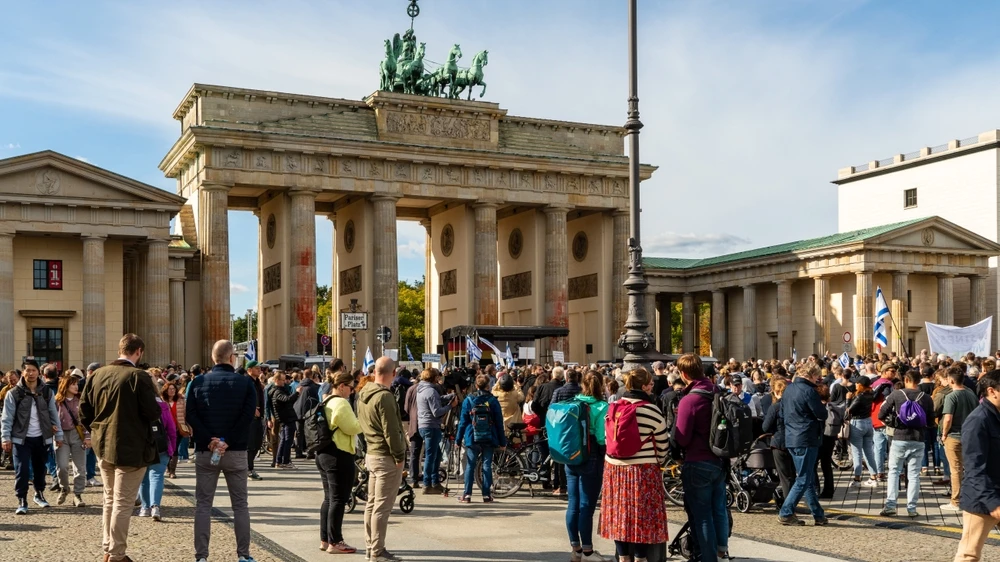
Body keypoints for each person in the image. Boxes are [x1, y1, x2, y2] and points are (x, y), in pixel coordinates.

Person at [80, 334, 160, 562]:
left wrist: (97, 431)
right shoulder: (138, 376)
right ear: (139, 352)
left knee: (109, 498)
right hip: (131, 447)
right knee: (123, 503)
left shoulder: (97, 374)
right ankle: (115, 554)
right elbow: (153, 413)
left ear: (120, 350)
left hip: (103, 445)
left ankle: (108, 548)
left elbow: (83, 412)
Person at [186, 340, 258, 562]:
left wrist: (211, 440)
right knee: (240, 506)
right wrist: (226, 440)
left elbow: (190, 416)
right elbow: (247, 418)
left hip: (207, 451)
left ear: (212, 357)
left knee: (203, 505)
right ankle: (244, 555)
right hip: (235, 451)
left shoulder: (197, 382)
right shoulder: (246, 384)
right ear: (232, 358)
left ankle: (201, 556)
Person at [673, 355, 726, 561]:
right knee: (717, 510)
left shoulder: (690, 400)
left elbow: (682, 437)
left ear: (684, 374)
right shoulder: (716, 391)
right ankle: (721, 551)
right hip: (719, 460)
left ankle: (707, 557)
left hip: (697, 461)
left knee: (701, 516)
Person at [357, 356, 408, 562]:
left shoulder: (363, 393)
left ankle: (371, 546)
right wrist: (399, 455)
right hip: (385, 455)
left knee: (371, 504)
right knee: (382, 507)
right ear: (393, 374)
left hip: (372, 452)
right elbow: (392, 431)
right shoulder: (384, 396)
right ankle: (377, 551)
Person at [1, 359, 63, 514]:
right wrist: (5, 437)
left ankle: (39, 493)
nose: (30, 373)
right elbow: (7, 417)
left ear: (39, 372)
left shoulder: (46, 392)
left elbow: (53, 414)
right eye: (27, 370)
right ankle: (22, 499)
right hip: (21, 438)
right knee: (22, 471)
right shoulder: (13, 393)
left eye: (33, 370)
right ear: (23, 372)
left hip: (42, 437)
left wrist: (59, 434)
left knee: (40, 469)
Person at [952, 369, 1000, 561]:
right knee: (968, 554)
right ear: (992, 391)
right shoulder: (978, 420)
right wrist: (993, 503)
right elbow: (974, 468)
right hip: (982, 500)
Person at [564, 371, 609, 562]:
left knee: (573, 504)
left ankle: (576, 548)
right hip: (591, 456)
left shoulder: (573, 402)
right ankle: (589, 551)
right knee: (587, 506)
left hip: (571, 455)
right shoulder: (601, 406)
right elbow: (601, 437)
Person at [316, 370, 363, 554]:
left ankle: (325, 539)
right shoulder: (341, 403)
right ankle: (335, 541)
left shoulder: (326, 400)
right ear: (342, 386)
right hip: (339, 453)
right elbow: (353, 427)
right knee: (338, 499)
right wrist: (362, 422)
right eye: (351, 388)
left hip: (323, 453)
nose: (352, 391)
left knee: (328, 498)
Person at [878, 369, 935, 518]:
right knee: (914, 475)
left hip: (899, 438)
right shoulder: (926, 398)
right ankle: (912, 508)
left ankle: (890, 506)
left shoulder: (897, 394)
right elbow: (931, 421)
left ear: (906, 379)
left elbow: (881, 414)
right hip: (918, 439)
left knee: (894, 472)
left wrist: (892, 423)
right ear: (919, 381)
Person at [777, 363, 828, 526]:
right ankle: (786, 512)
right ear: (811, 375)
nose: (818, 380)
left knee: (808, 479)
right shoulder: (809, 391)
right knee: (804, 478)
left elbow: (782, 414)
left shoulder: (788, 389)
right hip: (806, 438)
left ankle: (818, 514)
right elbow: (821, 414)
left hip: (792, 437)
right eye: (817, 377)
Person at [455, 374, 506, 504]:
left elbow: (463, 422)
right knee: (487, 465)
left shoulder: (469, 400)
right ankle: (486, 495)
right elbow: (499, 423)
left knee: (470, 465)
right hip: (489, 436)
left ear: (476, 385)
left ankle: (467, 495)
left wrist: (458, 439)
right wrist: (502, 441)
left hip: (472, 436)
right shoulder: (493, 401)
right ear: (488, 386)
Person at [940, 366, 979, 512]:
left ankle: (956, 501)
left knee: (955, 470)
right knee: (969, 468)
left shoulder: (951, 396)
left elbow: (948, 418)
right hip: (970, 435)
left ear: (950, 380)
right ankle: (971, 498)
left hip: (954, 436)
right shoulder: (970, 393)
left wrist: (944, 434)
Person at [139, 375, 177, 521]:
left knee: (143, 478)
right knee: (156, 476)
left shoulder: (135, 406)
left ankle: (145, 507)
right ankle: (155, 507)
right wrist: (171, 448)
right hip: (161, 445)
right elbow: (171, 429)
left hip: (143, 447)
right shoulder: (162, 405)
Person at [416, 368, 455, 494]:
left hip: (423, 424)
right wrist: (450, 406)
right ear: (434, 378)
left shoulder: (421, 389)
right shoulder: (431, 391)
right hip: (431, 425)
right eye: (438, 377)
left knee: (436, 455)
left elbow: (435, 400)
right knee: (431, 456)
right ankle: (427, 484)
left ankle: (435, 481)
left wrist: (448, 397)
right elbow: (436, 412)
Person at [54, 370, 88, 507]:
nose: (76, 387)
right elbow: (51, 419)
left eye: (77, 384)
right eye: (73, 384)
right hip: (61, 435)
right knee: (62, 466)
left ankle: (78, 495)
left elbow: (87, 420)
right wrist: (53, 430)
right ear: (65, 386)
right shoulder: (57, 402)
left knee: (80, 468)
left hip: (78, 435)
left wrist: (88, 437)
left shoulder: (81, 400)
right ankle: (64, 488)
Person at [762, 378, 795, 500]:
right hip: (793, 441)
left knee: (784, 477)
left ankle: (788, 505)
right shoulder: (793, 405)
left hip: (779, 442)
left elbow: (765, 427)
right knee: (792, 474)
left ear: (776, 392)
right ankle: (793, 500)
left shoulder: (775, 407)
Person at [845, 376, 879, 487]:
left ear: (860, 385)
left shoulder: (859, 397)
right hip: (868, 423)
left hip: (857, 424)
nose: (855, 385)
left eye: (856, 383)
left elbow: (848, 411)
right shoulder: (870, 394)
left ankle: (857, 479)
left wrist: (848, 400)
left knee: (857, 453)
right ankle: (873, 477)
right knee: (869, 451)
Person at [268, 372, 300, 469]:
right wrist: (297, 393)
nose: (285, 382)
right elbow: (286, 400)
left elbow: (288, 401)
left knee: (284, 440)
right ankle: (285, 461)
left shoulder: (279, 390)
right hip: (286, 418)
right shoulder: (277, 391)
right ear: (277, 380)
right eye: (282, 380)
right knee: (287, 440)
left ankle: (279, 461)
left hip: (286, 417)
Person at [244, 360, 266, 481]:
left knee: (257, 444)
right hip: (250, 418)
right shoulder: (246, 382)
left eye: (260, 368)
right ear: (249, 370)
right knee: (250, 444)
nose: (259, 370)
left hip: (259, 417)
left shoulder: (257, 382)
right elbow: (242, 398)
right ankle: (248, 469)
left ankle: (250, 467)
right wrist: (252, 409)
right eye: (257, 368)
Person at [163, 382, 188, 479]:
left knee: (175, 448)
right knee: (167, 449)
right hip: (165, 429)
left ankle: (172, 471)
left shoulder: (181, 400)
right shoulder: (162, 401)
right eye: (170, 389)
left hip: (178, 428)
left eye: (173, 389)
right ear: (166, 390)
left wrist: (187, 425)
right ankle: (168, 468)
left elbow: (186, 413)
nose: (172, 390)